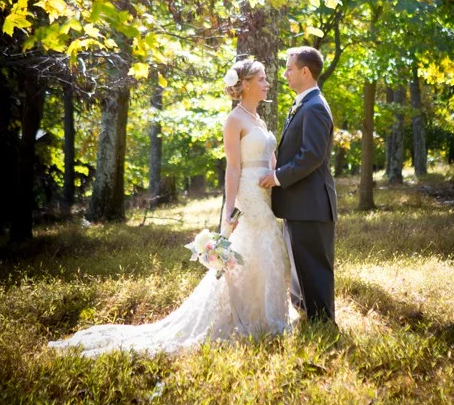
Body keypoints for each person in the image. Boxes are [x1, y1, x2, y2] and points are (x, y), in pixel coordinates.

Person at [47, 57, 293, 357]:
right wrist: (229, 209)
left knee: (264, 251)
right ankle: (245, 318)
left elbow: (268, 158)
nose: (267, 83)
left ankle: (265, 317)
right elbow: (232, 168)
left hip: (265, 194)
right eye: (262, 79)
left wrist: (277, 173)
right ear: (245, 85)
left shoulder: (260, 120)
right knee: (248, 250)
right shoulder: (235, 120)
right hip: (248, 196)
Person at [259, 47, 337, 326]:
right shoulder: (304, 103)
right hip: (300, 203)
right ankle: (307, 315)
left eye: (290, 68)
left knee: (314, 267)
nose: (286, 73)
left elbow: (312, 156)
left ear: (305, 71)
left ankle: (322, 324)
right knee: (301, 266)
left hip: (311, 204)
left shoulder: (315, 106)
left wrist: (278, 176)